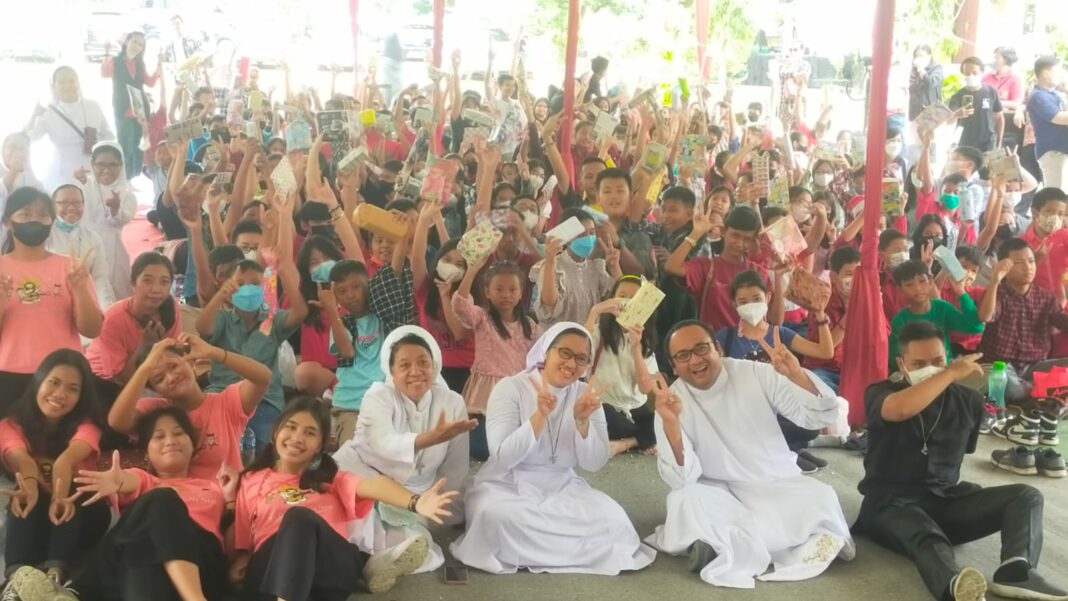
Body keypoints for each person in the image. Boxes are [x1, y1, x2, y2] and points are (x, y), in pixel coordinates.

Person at [855, 320, 1068, 601]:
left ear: (947, 356)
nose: (931, 369)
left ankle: (1016, 570)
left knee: (1026, 496)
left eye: (937, 361)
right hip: (889, 504)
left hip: (943, 500)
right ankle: (955, 588)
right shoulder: (882, 392)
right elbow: (900, 410)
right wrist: (948, 374)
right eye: (918, 364)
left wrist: (948, 377)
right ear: (901, 364)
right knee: (926, 536)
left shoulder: (968, 401)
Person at [648, 320, 854, 589]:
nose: (695, 360)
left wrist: (796, 375)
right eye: (683, 356)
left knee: (822, 497)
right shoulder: (670, 401)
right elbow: (682, 478)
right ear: (673, 366)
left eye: (701, 349)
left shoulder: (755, 373)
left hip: (772, 482)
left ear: (718, 348)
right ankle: (728, 543)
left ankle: (720, 545)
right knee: (686, 499)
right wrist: (671, 424)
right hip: (716, 490)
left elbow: (816, 418)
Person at [450, 322, 657, 575]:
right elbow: (503, 457)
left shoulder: (586, 394)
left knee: (614, 520)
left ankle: (534, 550)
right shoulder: (510, 387)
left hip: (563, 484)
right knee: (495, 517)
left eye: (581, 358)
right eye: (565, 353)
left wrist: (582, 422)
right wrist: (539, 417)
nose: (571, 364)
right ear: (546, 352)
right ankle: (570, 551)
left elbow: (593, 463)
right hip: (505, 482)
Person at [231, 397, 457, 599]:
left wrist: (416, 502)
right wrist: (240, 557)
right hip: (272, 568)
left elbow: (373, 485)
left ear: (320, 446)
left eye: (310, 433)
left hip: (327, 569)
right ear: (275, 432)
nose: (297, 437)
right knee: (291, 526)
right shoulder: (252, 479)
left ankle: (366, 561)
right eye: (290, 427)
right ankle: (369, 563)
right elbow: (243, 532)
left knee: (298, 518)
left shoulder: (330, 479)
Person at [334, 326, 475, 574]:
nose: (415, 372)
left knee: (415, 541)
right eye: (404, 365)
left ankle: (372, 563)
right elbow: (382, 443)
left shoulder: (452, 402)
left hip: (415, 495)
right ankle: (362, 561)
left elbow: (456, 467)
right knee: (356, 524)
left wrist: (447, 510)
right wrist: (429, 438)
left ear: (435, 365)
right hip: (365, 479)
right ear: (391, 371)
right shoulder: (377, 396)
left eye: (423, 362)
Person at [67, 408, 230, 601]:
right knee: (147, 533)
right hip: (144, 565)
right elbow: (129, 480)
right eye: (159, 436)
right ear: (146, 454)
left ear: (193, 445)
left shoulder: (214, 486)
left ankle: (74, 591)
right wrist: (118, 481)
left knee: (160, 506)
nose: (170, 441)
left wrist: (232, 501)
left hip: (201, 560)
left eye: (178, 433)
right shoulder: (146, 480)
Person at [0, 349, 111, 600]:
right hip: (38, 517)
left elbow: (66, 461)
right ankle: (17, 580)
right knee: (23, 495)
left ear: (81, 396)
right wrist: (30, 488)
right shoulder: (9, 425)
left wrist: (59, 496)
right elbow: (23, 461)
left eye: (72, 389)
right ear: (38, 381)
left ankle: (55, 577)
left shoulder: (88, 425)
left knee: (75, 491)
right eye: (54, 382)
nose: (60, 394)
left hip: (84, 518)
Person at [107, 333, 271, 480]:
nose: (171, 378)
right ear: (155, 390)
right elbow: (116, 422)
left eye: (174, 366)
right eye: (159, 379)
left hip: (227, 500)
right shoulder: (155, 413)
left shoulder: (227, 403)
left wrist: (214, 352)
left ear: (191, 362)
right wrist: (145, 368)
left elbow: (263, 377)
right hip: (178, 500)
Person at [716, 270, 835, 472]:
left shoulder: (780, 334)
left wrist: (820, 315)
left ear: (768, 297)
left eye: (756, 298)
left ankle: (791, 449)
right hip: (746, 413)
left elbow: (825, 352)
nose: (750, 305)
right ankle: (786, 453)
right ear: (734, 304)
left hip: (780, 408)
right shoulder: (725, 337)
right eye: (743, 301)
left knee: (810, 427)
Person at [0, 187, 102, 409]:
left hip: (64, 376)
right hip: (8, 376)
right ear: (8, 221)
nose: (35, 220)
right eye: (25, 214)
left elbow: (93, 330)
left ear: (51, 221)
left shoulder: (71, 268)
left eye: (43, 214)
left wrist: (79, 289)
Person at [195, 257, 307, 453]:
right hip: (222, 394)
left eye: (255, 283)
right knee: (213, 446)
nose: (247, 289)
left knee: (264, 450)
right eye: (240, 284)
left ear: (264, 288)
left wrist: (284, 275)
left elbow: (300, 312)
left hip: (265, 400)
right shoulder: (222, 319)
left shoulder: (272, 321)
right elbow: (202, 327)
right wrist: (220, 296)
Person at [453, 259, 541, 460]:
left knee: (528, 443)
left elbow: (540, 359)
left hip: (518, 395)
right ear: (487, 292)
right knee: (483, 448)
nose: (506, 295)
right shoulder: (482, 318)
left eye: (512, 289)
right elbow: (460, 305)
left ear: (521, 292)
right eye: (499, 289)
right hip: (485, 399)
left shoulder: (530, 325)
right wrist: (472, 270)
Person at [664, 205, 774, 330]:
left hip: (750, 341)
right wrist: (696, 233)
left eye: (747, 239)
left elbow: (776, 319)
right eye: (735, 235)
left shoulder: (759, 273)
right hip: (713, 341)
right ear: (723, 231)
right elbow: (671, 267)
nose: (740, 244)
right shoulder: (706, 267)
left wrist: (779, 274)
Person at [86, 252, 180, 394]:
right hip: (105, 382)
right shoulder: (111, 320)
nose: (156, 289)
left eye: (164, 282)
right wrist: (145, 346)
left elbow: (175, 355)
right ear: (133, 283)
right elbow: (121, 379)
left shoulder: (170, 308)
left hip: (150, 374)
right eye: (148, 281)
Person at [584, 275, 658, 456]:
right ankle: (642, 440)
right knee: (602, 419)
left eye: (634, 299)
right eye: (622, 296)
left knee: (664, 420)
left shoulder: (646, 339)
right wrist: (594, 312)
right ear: (612, 298)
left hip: (635, 407)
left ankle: (625, 443)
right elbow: (580, 350)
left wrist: (636, 347)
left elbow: (645, 388)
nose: (627, 303)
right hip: (605, 404)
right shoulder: (599, 332)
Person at [27, 66, 115, 192]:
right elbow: (27, 139)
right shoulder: (48, 113)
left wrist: (103, 156)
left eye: (71, 80)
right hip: (64, 173)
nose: (67, 86)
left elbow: (108, 135)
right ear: (54, 87)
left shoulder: (93, 106)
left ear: (78, 83)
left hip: (93, 170)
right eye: (62, 82)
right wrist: (33, 117)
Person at [887, 260, 983, 370]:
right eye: (909, 285)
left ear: (930, 282)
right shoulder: (899, 321)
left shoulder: (942, 308)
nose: (917, 288)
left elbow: (975, 327)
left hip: (944, 371)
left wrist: (961, 292)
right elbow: (895, 360)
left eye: (922, 281)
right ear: (900, 290)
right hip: (916, 375)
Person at [530, 208, 619, 327]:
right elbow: (549, 305)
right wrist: (550, 262)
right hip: (560, 336)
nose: (588, 238)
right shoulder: (554, 266)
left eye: (592, 233)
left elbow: (619, 299)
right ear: (566, 237)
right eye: (581, 235)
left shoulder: (596, 267)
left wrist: (614, 266)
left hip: (589, 336)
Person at [77, 142, 137, 301]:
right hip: (83, 243)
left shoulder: (127, 193)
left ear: (121, 166)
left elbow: (123, 219)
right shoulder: (83, 184)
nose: (106, 169)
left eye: (113, 164)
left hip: (112, 246)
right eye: (101, 164)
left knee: (114, 292)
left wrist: (115, 209)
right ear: (92, 165)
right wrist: (74, 182)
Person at [101, 32, 162, 176]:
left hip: (140, 111)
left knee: (138, 147)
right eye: (134, 42)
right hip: (123, 110)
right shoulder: (115, 61)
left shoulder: (140, 63)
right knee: (125, 146)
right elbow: (104, 73)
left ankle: (134, 176)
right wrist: (106, 53)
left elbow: (150, 82)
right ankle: (125, 177)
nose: (137, 46)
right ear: (126, 42)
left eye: (140, 44)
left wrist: (159, 64)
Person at [45, 184, 113, 308]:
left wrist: (106, 308)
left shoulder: (93, 237)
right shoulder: (45, 235)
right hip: (52, 300)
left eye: (77, 203)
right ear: (53, 206)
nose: (71, 208)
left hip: (85, 300)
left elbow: (100, 277)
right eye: (64, 203)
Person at [1026, 56, 1068, 189]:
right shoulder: (1038, 96)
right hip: (1053, 152)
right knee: (1057, 194)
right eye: (1057, 71)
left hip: (1062, 150)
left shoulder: (1055, 94)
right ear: (1045, 73)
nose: (1061, 75)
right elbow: (1059, 118)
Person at [947, 57, 1004, 152]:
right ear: (963, 74)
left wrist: (999, 141)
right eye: (967, 73)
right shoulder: (958, 96)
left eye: (975, 73)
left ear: (981, 73)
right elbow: (948, 119)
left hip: (987, 143)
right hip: (964, 142)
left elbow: (999, 117)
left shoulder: (991, 92)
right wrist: (956, 114)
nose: (971, 76)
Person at [0, 133, 44, 249]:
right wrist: (13, 170)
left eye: (22, 148)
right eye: (13, 147)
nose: (18, 153)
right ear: (3, 149)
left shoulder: (32, 179)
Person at [984, 48, 1025, 149]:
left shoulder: (1015, 79)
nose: (994, 60)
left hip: (1006, 124)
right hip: (985, 120)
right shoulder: (987, 76)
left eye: (997, 57)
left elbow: (1017, 103)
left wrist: (995, 103)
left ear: (1006, 59)